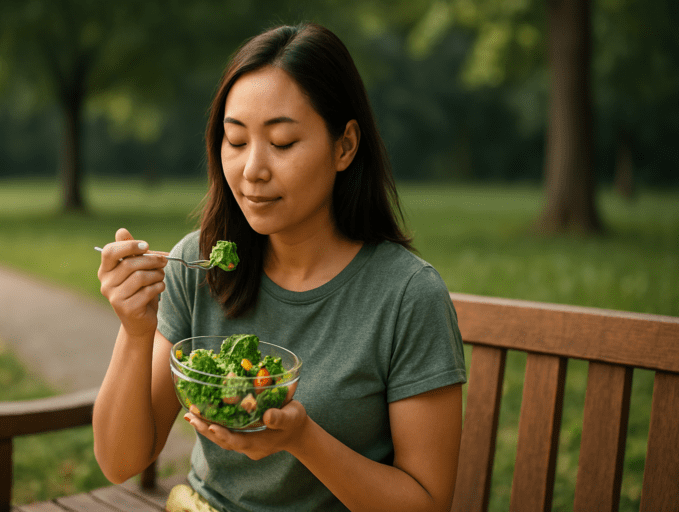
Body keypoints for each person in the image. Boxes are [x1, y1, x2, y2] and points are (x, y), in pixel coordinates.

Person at [94, 23, 466, 512]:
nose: (252, 170)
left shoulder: (406, 296)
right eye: (235, 140)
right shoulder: (196, 264)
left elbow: (427, 503)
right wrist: (135, 331)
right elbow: (121, 462)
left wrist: (302, 439)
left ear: (344, 147)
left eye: (283, 142)